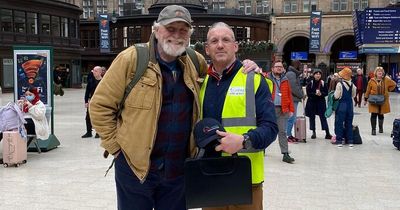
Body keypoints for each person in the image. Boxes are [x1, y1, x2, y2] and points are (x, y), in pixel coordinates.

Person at [89, 5, 260, 210]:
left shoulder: (194, 62)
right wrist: (117, 149)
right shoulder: (132, 59)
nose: (176, 35)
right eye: (171, 29)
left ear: (189, 35)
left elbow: (222, 70)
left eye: (183, 30)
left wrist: (248, 66)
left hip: (178, 173)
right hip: (135, 170)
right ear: (156, 30)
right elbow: (100, 106)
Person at [200, 22, 278, 210]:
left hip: (246, 180)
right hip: (210, 177)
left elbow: (271, 128)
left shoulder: (254, 79)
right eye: (214, 41)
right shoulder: (199, 82)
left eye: (226, 40)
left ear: (235, 46)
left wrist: (244, 140)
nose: (220, 45)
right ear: (207, 49)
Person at [266, 60, 295, 163]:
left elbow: (289, 95)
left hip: (282, 110)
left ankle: (285, 153)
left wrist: (291, 109)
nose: (279, 68)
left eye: (281, 66)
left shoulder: (285, 80)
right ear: (272, 68)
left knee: (282, 131)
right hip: (269, 109)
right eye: (277, 66)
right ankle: (261, 148)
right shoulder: (266, 78)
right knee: (266, 130)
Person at [364, 66, 396, 135]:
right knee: (373, 114)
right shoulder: (371, 80)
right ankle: (373, 130)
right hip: (373, 100)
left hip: (383, 100)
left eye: (381, 71)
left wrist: (388, 90)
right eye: (378, 71)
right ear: (376, 72)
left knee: (381, 114)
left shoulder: (386, 79)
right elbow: (368, 90)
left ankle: (380, 128)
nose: (380, 72)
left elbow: (394, 84)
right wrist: (365, 99)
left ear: (383, 73)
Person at [305, 69, 332, 139]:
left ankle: (327, 133)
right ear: (313, 75)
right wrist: (315, 94)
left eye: (319, 74)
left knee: (323, 117)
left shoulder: (323, 83)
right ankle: (313, 132)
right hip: (312, 102)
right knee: (312, 117)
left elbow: (326, 92)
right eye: (316, 74)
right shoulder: (310, 83)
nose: (318, 75)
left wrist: (321, 94)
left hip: (321, 102)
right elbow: (308, 93)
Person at [333, 67, 356, 148]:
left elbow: (336, 96)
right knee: (349, 123)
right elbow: (353, 95)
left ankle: (339, 141)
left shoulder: (340, 84)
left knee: (339, 123)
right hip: (350, 106)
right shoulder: (353, 85)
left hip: (342, 105)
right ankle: (350, 141)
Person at [285, 60, 304, 142]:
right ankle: (287, 135)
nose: (301, 67)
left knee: (292, 117)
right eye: (300, 65)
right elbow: (294, 87)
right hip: (292, 98)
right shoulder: (291, 74)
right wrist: (302, 95)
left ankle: (289, 134)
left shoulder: (293, 73)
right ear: (296, 65)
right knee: (291, 118)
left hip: (293, 98)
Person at [82, 66, 102, 138]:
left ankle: (98, 132)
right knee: (88, 117)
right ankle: (88, 132)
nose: (94, 72)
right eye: (93, 70)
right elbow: (87, 92)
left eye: (96, 71)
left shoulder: (103, 81)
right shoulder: (91, 81)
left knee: (98, 117)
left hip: (100, 102)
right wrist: (86, 101)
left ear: (100, 72)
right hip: (91, 101)